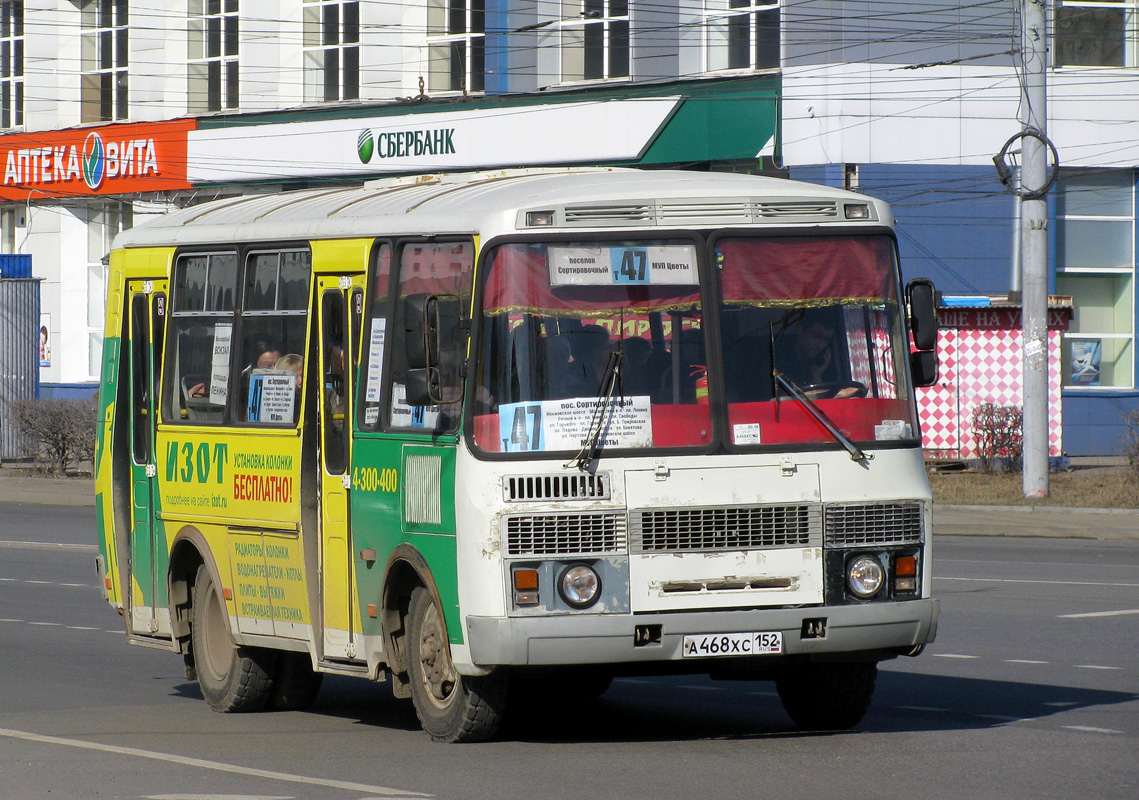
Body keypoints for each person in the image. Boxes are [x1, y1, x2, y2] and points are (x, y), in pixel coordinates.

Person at [783, 313, 862, 399]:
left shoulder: (826, 365)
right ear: (800, 330)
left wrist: (816, 376)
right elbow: (783, 398)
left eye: (826, 339)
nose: (821, 345)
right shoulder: (779, 359)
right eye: (816, 336)